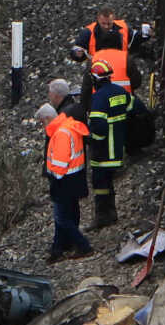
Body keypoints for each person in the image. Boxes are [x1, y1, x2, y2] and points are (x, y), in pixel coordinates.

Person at [41, 88, 94, 261]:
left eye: (43, 123)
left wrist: (52, 176)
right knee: (68, 214)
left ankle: (82, 245)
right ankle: (61, 248)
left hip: (63, 181)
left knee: (62, 218)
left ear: (48, 119)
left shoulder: (61, 133)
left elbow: (60, 163)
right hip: (74, 178)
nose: (43, 127)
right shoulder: (68, 126)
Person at [82, 59, 132, 228]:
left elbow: (99, 125)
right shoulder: (120, 92)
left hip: (103, 152)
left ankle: (103, 216)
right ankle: (112, 213)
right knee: (109, 181)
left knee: (100, 183)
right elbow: (134, 108)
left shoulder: (99, 98)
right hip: (118, 148)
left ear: (95, 79)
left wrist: (93, 140)